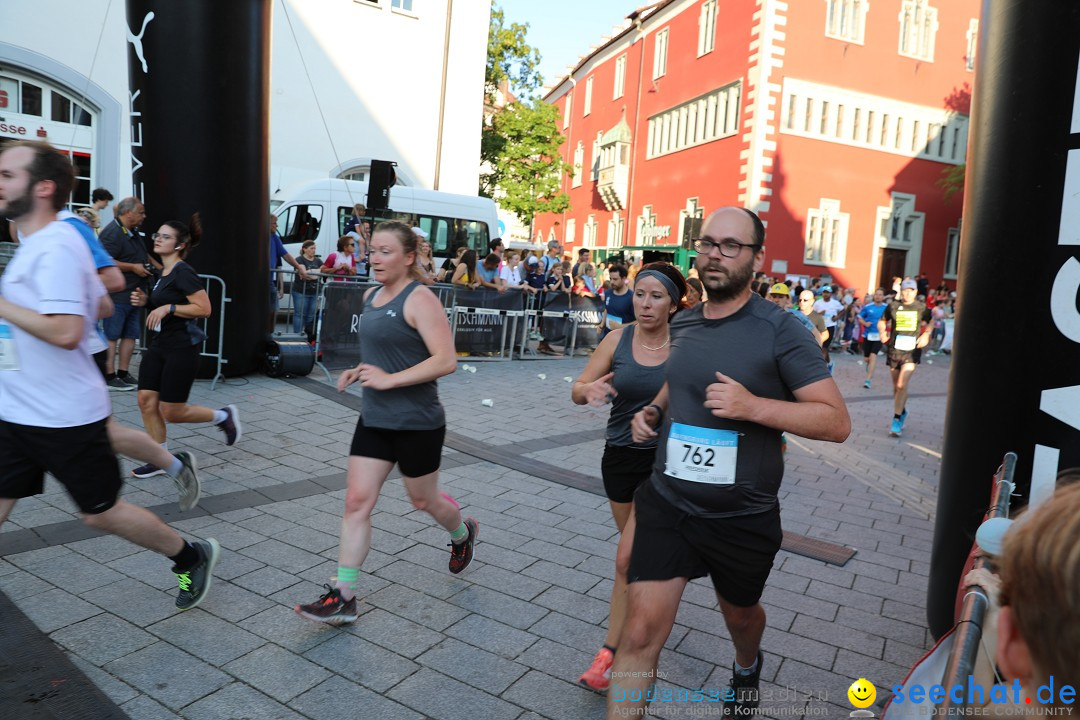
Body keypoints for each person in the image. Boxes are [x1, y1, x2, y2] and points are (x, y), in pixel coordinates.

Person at [609, 207, 850, 719]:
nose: (715, 254)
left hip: (739, 515)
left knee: (740, 617)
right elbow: (684, 378)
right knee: (639, 631)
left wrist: (753, 407)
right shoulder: (688, 321)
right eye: (707, 243)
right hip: (668, 501)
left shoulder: (781, 330)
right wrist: (655, 409)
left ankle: (746, 665)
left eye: (730, 245)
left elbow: (836, 421)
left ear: (756, 258)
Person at [0, 140, 219, 610]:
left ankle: (189, 555)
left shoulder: (59, 243)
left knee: (101, 515)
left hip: (64, 416)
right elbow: (95, 302)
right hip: (18, 410)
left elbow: (65, 330)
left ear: (42, 188)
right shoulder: (35, 242)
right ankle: (176, 468)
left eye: (6, 175)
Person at [294, 221, 477, 623]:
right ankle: (344, 595)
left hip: (417, 421)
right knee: (356, 501)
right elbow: (387, 353)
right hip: (375, 417)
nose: (374, 257)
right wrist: (361, 370)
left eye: (385, 251)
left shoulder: (420, 298)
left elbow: (445, 361)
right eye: (372, 250)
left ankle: (462, 532)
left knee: (423, 500)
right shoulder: (370, 295)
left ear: (409, 257)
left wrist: (390, 379)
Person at [572, 262, 686, 693]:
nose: (645, 303)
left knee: (626, 558)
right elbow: (578, 388)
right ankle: (658, 591)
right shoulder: (617, 339)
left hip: (665, 463)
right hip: (619, 458)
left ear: (674, 304)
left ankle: (610, 654)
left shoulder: (685, 344)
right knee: (639, 558)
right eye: (640, 294)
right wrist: (591, 391)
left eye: (656, 296)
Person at [129, 215, 241, 477]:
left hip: (181, 347)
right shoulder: (163, 272)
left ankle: (222, 416)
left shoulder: (183, 271)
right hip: (160, 344)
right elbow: (165, 305)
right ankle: (160, 459)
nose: (157, 239)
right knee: (146, 400)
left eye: (165, 237)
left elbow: (205, 308)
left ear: (179, 245)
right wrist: (147, 302)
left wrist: (168, 307)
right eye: (157, 234)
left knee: (172, 412)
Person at [99, 196, 151, 390]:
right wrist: (132, 267)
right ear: (127, 212)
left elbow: (143, 256)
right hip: (117, 294)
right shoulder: (112, 233)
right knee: (112, 335)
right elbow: (106, 261)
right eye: (141, 212)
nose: (144, 216)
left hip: (134, 293)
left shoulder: (132, 232)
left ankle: (123, 372)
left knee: (130, 334)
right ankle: (109, 375)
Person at [878, 279, 932, 437]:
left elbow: (930, 322)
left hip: (911, 352)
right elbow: (882, 321)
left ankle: (896, 420)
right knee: (896, 387)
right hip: (894, 350)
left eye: (911, 290)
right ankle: (902, 411)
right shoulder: (893, 306)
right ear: (901, 291)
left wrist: (926, 335)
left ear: (915, 292)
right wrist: (882, 332)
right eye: (905, 290)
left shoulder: (921, 307)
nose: (907, 293)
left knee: (902, 384)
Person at [269, 212, 310, 330]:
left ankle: (270, 334)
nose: (277, 226)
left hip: (270, 282)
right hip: (262, 281)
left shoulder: (274, 238)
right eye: (275, 223)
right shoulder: (262, 236)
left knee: (274, 310)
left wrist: (298, 267)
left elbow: (285, 255)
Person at [858, 288, 887, 389]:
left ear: (883, 297)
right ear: (874, 296)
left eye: (880, 295)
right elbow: (860, 317)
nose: (878, 296)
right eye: (876, 294)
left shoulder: (886, 308)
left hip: (879, 336)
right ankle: (869, 366)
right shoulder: (867, 307)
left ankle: (868, 380)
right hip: (868, 335)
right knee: (867, 358)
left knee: (873, 356)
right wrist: (865, 323)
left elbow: (892, 318)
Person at [292, 240, 321, 338]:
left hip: (314, 292)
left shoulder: (318, 260)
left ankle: (308, 338)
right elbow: (304, 275)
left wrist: (310, 273)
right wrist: (316, 274)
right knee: (299, 315)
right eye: (311, 248)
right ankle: (297, 337)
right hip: (300, 292)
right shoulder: (299, 259)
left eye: (315, 248)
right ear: (304, 249)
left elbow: (323, 270)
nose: (314, 250)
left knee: (311, 316)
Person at [812, 285, 843, 362]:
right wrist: (819, 313)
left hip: (830, 326)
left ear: (831, 294)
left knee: (825, 346)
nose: (825, 294)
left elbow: (843, 310)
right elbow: (812, 314)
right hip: (820, 326)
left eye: (827, 293)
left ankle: (822, 364)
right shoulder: (817, 303)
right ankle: (827, 361)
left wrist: (837, 317)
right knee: (820, 345)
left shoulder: (835, 303)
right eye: (824, 292)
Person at [604, 264, 635, 334]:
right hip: (607, 336)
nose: (611, 282)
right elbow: (607, 309)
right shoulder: (608, 293)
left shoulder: (632, 297)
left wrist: (620, 326)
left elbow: (638, 322)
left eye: (615, 279)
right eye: (610, 279)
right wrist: (602, 324)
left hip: (624, 339)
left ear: (623, 278)